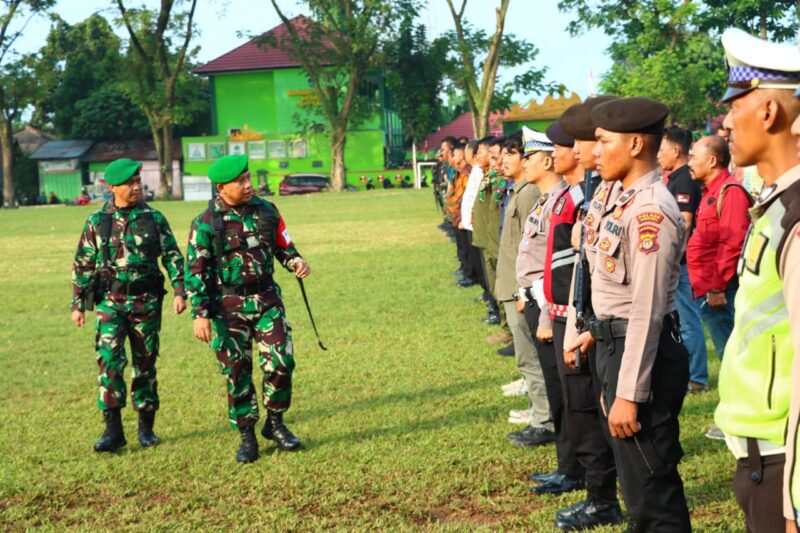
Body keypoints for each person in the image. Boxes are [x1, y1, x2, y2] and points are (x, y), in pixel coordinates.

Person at [565, 97, 692, 531]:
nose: (594, 151)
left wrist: (629, 393)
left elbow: (648, 310)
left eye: (602, 141)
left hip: (640, 359)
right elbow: (613, 289)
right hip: (614, 345)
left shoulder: (650, 209)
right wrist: (596, 331)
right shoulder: (622, 196)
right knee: (637, 488)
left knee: (653, 493)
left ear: (636, 143)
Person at [710, 28, 800, 532]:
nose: (725, 122)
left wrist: (794, 501)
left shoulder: (797, 216)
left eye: (733, 104)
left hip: (785, 462)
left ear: (768, 112)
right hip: (762, 459)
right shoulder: (776, 207)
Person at [185, 154, 311, 463]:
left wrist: (295, 260)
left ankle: (276, 423)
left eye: (248, 178)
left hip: (267, 299)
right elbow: (196, 271)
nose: (248, 185)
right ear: (221, 187)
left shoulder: (267, 211)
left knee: (282, 360)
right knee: (237, 371)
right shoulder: (205, 222)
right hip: (228, 307)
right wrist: (200, 313)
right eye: (240, 181)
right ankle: (247, 436)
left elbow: (284, 246)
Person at [70, 158, 186, 453]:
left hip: (146, 303)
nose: (136, 187)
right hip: (110, 303)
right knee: (109, 362)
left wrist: (179, 291)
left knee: (145, 364)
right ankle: (113, 431)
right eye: (129, 183)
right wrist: (78, 305)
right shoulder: (97, 221)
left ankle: (146, 428)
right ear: (111, 187)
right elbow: (83, 264)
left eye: (138, 181)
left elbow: (172, 256)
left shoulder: (154, 218)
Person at [546, 104, 622, 530]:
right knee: (583, 409)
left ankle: (604, 499)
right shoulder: (593, 192)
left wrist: (587, 322)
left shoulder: (596, 195)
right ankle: (601, 496)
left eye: (580, 141)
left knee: (596, 414)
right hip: (580, 318)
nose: (572, 149)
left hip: (602, 325)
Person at [514, 127, 580, 490]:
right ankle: (567, 464)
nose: (524, 163)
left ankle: (572, 468)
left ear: (545, 159)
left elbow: (558, 263)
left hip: (551, 305)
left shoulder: (564, 200)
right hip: (538, 301)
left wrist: (542, 305)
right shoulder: (546, 201)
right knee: (558, 393)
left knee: (564, 393)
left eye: (529, 156)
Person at [495, 131, 554, 446]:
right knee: (526, 356)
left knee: (530, 357)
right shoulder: (519, 191)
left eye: (513, 154)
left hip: (519, 287)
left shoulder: (530, 193)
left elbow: (531, 250)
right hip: (511, 284)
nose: (505, 160)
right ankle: (539, 410)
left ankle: (544, 420)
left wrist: (522, 290)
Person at [686, 135, 751, 359]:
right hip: (708, 289)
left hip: (721, 292)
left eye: (694, 157)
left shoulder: (730, 191)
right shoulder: (710, 192)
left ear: (712, 161)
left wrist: (717, 287)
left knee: (733, 356)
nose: (689, 162)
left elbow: (732, 243)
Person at [657, 125, 707, 393]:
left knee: (687, 320)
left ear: (676, 151)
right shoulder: (674, 179)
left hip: (680, 263)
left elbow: (684, 223)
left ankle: (697, 377)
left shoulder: (684, 181)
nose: (658, 156)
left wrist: (671, 259)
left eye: (662, 150)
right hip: (678, 262)